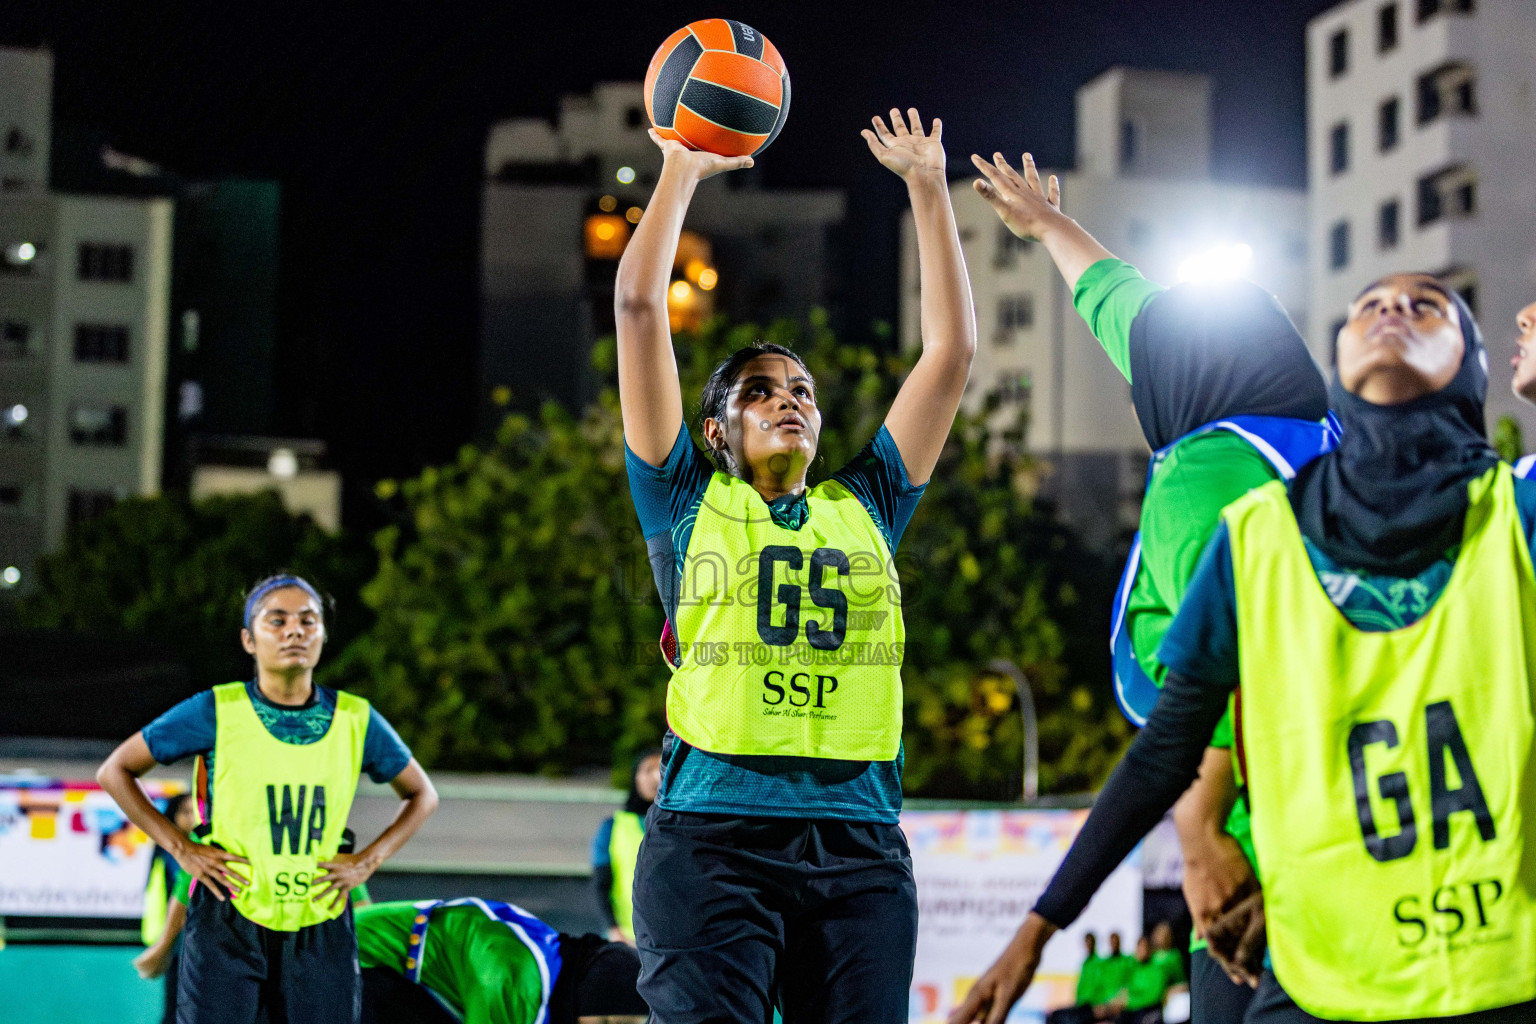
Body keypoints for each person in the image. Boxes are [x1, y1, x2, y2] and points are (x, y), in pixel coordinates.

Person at [951, 274, 1536, 1023]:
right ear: (1334, 358)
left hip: (1493, 963)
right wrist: (1039, 925)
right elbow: (1170, 746)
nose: (1392, 308)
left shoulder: (1514, 512)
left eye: (1428, 304)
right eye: (1369, 304)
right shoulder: (1258, 533)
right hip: (1320, 957)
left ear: (1472, 363)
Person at [616, 107, 975, 1024]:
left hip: (858, 844)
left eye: (804, 391)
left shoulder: (869, 504)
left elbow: (952, 352)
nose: (791, 401)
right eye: (762, 391)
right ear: (714, 430)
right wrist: (681, 172)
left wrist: (929, 189)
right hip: (713, 840)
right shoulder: (686, 501)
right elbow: (638, 307)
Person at [971, 151, 1334, 1024]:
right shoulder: (1318, 448)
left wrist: (1202, 830)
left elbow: (1225, 665)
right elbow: (1116, 298)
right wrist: (1050, 226)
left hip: (1264, 860)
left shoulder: (1209, 469)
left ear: (1178, 378)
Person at [97, 573, 439, 1024]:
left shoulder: (357, 718)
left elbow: (422, 795)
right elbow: (115, 771)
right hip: (228, 917)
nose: (295, 630)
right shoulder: (215, 710)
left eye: (308, 620)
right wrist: (182, 848)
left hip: (320, 919)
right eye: (276, 621)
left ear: (322, 635)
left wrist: (369, 860)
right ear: (248, 640)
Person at [356, 898, 649, 1024]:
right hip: (353, 963)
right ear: (589, 1001)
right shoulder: (517, 984)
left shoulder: (551, 964)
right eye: (612, 1023)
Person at [136, 792, 201, 1023]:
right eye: (185, 812)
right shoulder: (169, 855)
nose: (192, 817)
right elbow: (180, 893)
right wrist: (163, 942)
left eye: (196, 810)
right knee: (176, 1003)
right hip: (177, 935)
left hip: (190, 936)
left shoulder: (201, 846)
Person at [590, 750, 660, 944]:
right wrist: (613, 928)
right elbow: (601, 883)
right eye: (648, 770)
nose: (656, 777)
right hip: (626, 938)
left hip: (668, 941)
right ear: (635, 777)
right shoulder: (612, 827)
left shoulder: (682, 826)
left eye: (661, 769)